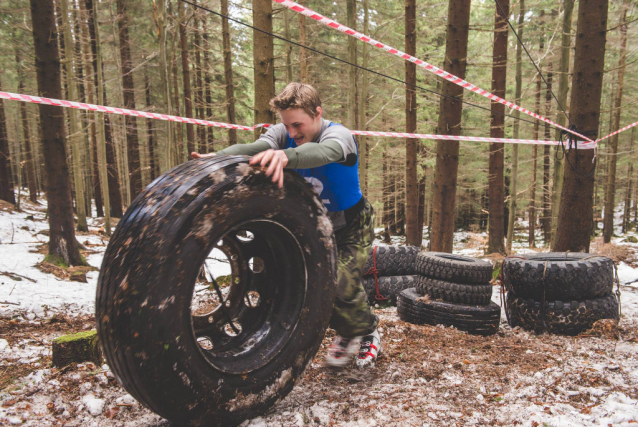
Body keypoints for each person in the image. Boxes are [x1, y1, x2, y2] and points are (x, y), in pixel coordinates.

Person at [192, 82, 381, 368]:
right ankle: (347, 330)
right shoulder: (284, 132)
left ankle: (366, 330)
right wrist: (220, 157)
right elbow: (255, 147)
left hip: (353, 224)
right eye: (287, 126)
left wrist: (286, 155)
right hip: (315, 226)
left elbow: (324, 153)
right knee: (315, 286)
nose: (292, 133)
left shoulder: (339, 135)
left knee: (340, 282)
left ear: (317, 113)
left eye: (298, 125)